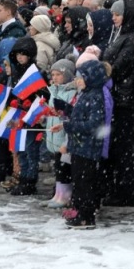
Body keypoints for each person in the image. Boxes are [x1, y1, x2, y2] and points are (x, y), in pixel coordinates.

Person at [101, 0, 134, 207]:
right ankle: (116, 187)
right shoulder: (124, 35)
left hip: (125, 99)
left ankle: (124, 190)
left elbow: (118, 67)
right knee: (115, 146)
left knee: (122, 147)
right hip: (118, 97)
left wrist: (101, 70)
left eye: (118, 14)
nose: (114, 18)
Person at [55, 58, 112, 229]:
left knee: (85, 182)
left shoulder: (95, 96)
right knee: (78, 181)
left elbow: (93, 125)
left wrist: (69, 125)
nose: (78, 80)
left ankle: (86, 216)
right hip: (79, 146)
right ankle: (80, 210)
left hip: (88, 147)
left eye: (81, 77)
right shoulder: (86, 94)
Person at [5, 37, 50, 196]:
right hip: (19, 115)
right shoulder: (18, 71)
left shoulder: (36, 73)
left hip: (31, 117)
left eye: (23, 54)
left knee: (30, 150)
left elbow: (44, 96)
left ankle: (30, 181)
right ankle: (23, 178)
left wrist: (29, 105)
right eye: (17, 54)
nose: (20, 57)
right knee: (20, 149)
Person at [41, 59, 78, 208]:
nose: (54, 77)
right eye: (53, 74)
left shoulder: (71, 93)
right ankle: (58, 194)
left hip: (64, 137)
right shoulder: (53, 91)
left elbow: (69, 115)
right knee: (58, 166)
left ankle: (65, 195)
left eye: (58, 74)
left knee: (65, 168)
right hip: (54, 136)